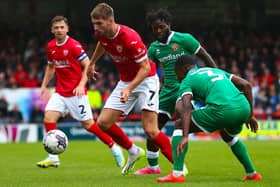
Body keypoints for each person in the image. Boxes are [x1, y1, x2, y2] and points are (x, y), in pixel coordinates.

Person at [88, 3, 173, 174]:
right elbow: (102, 43)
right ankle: (133, 151)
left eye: (99, 24)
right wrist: (92, 62)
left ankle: (179, 167)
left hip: (146, 80)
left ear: (110, 20)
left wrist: (129, 89)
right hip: (126, 81)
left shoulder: (129, 37)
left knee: (150, 130)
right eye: (94, 24)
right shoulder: (102, 34)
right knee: (103, 123)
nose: (96, 28)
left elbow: (146, 68)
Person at [134, 8, 217, 175]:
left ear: (168, 24)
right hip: (166, 92)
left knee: (182, 119)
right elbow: (147, 71)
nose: (158, 31)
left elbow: (204, 55)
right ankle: (153, 167)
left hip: (185, 88)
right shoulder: (154, 49)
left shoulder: (184, 39)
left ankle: (179, 167)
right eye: (155, 28)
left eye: (161, 27)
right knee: (153, 129)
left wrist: (217, 73)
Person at [157, 55, 262, 182]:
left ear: (183, 69)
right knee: (228, 135)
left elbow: (185, 107)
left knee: (179, 124)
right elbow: (246, 85)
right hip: (243, 108)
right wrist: (251, 115)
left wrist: (185, 135)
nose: (177, 77)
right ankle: (252, 174)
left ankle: (177, 174)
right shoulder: (215, 70)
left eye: (176, 73)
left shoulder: (188, 79)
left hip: (222, 110)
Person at [36, 15, 124, 168]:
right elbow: (51, 67)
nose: (59, 30)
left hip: (77, 94)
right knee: (48, 118)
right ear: (52, 30)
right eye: (56, 28)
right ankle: (53, 157)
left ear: (67, 29)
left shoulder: (74, 45)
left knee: (89, 125)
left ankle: (114, 147)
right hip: (60, 92)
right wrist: (44, 85)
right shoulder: (50, 46)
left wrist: (81, 84)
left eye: (62, 27)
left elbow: (88, 64)